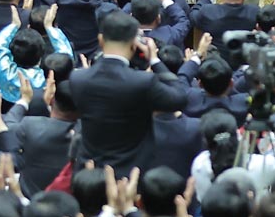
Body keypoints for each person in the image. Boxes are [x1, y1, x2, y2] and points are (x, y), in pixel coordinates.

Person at [72, 12, 189, 171]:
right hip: (130, 172)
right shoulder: (142, 82)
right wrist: (155, 60)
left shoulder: (77, 79)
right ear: (134, 45)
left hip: (89, 174)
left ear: (100, 40)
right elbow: (179, 97)